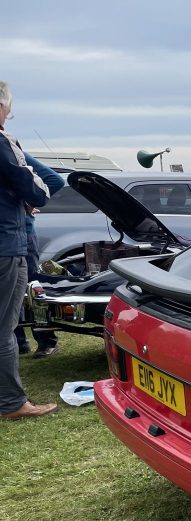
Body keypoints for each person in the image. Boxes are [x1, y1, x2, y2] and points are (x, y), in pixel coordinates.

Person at [0, 80, 57, 419]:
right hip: (6, 246)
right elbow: (37, 187)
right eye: (8, 110)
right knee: (5, 327)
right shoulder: (4, 141)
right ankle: (10, 403)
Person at [13, 152, 64, 357]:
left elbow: (54, 180)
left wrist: (30, 203)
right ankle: (18, 342)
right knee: (8, 291)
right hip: (8, 234)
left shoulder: (13, 153)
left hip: (21, 233)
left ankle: (46, 340)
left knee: (32, 287)